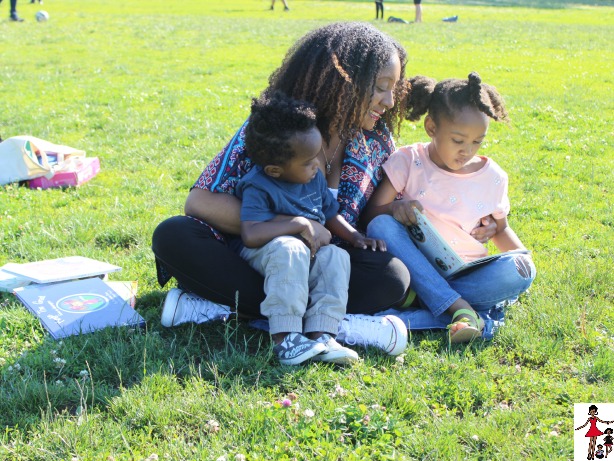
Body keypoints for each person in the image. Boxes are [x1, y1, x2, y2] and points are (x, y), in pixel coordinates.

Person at [151, 22, 496, 354]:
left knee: (391, 277)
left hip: (326, 266)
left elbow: (389, 211)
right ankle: (326, 323)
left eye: (395, 88)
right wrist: (294, 225)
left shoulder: (376, 141)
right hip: (253, 256)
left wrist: (475, 223)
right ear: (341, 80)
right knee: (173, 235)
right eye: (380, 86)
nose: (390, 101)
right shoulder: (279, 126)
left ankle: (232, 310)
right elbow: (199, 202)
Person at [363, 72, 536, 343]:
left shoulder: (493, 177)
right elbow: (371, 215)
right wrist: (397, 209)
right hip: (416, 265)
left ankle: (435, 305)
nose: (467, 150)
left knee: (521, 269)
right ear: (431, 127)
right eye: (458, 141)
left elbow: (501, 229)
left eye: (477, 141)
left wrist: (520, 258)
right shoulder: (409, 160)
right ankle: (472, 313)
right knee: (380, 225)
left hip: (466, 272)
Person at [234, 91, 387, 365]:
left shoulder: (313, 178)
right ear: (274, 170)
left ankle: (322, 333)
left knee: (336, 256)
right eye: (307, 161)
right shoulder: (259, 184)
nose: (317, 165)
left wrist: (354, 237)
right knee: (290, 248)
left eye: (316, 156)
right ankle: (285, 338)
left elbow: (330, 215)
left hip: (307, 255)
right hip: (269, 254)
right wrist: (299, 224)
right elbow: (251, 233)